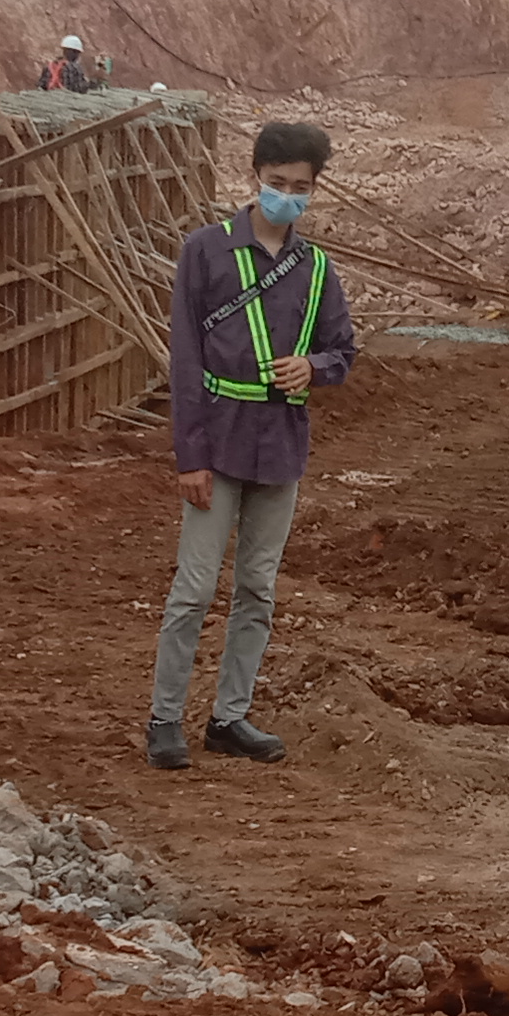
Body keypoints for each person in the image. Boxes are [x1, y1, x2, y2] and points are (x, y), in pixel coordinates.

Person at [152, 119, 356, 768]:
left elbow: (343, 351)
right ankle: (164, 719)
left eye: (300, 188)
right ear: (254, 179)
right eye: (277, 184)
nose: (287, 198)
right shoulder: (206, 252)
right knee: (194, 587)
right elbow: (185, 359)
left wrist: (314, 368)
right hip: (220, 437)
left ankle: (229, 717)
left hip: (281, 445)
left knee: (258, 591)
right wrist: (191, 456)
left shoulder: (316, 268)